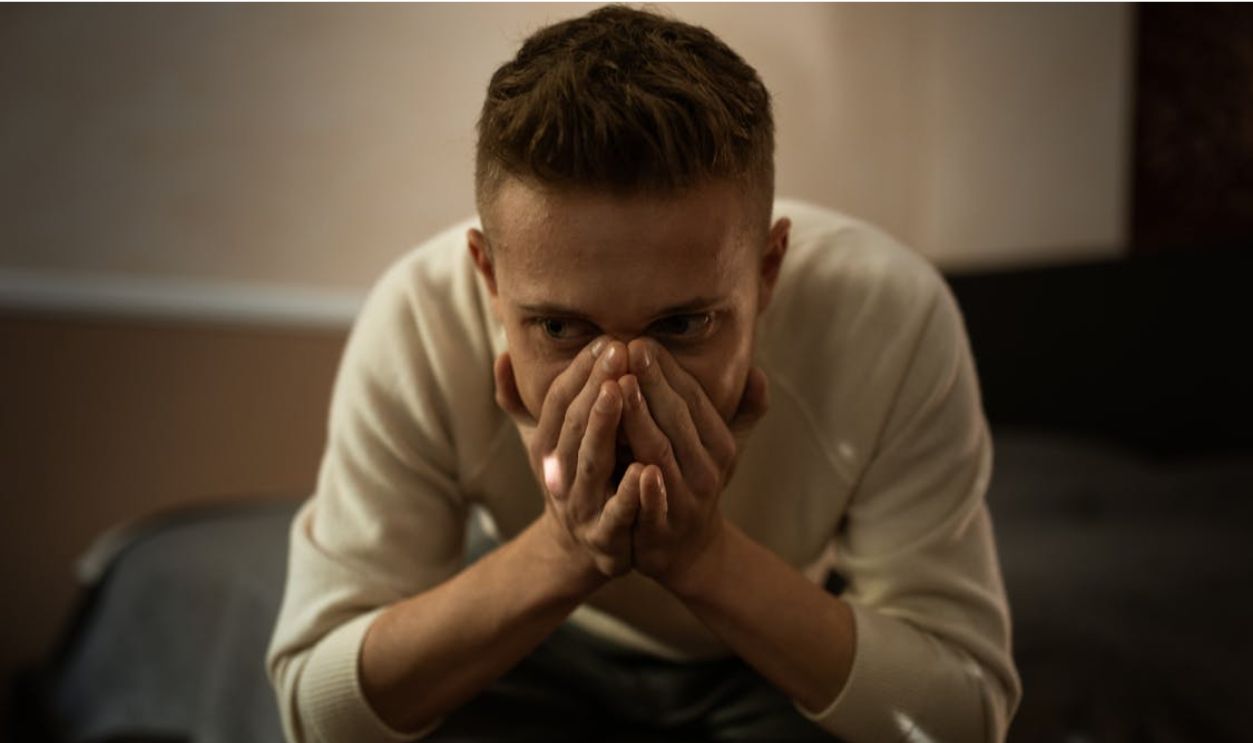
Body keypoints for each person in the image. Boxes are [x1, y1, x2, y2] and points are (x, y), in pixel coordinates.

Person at [266, 5, 1021, 742]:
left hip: (771, 646)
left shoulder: (885, 316)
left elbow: (961, 714)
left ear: (767, 272)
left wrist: (704, 558)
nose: (621, 379)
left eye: (681, 325)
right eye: (560, 328)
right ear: (488, 279)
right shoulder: (421, 322)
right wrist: (562, 552)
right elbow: (316, 710)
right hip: (525, 638)